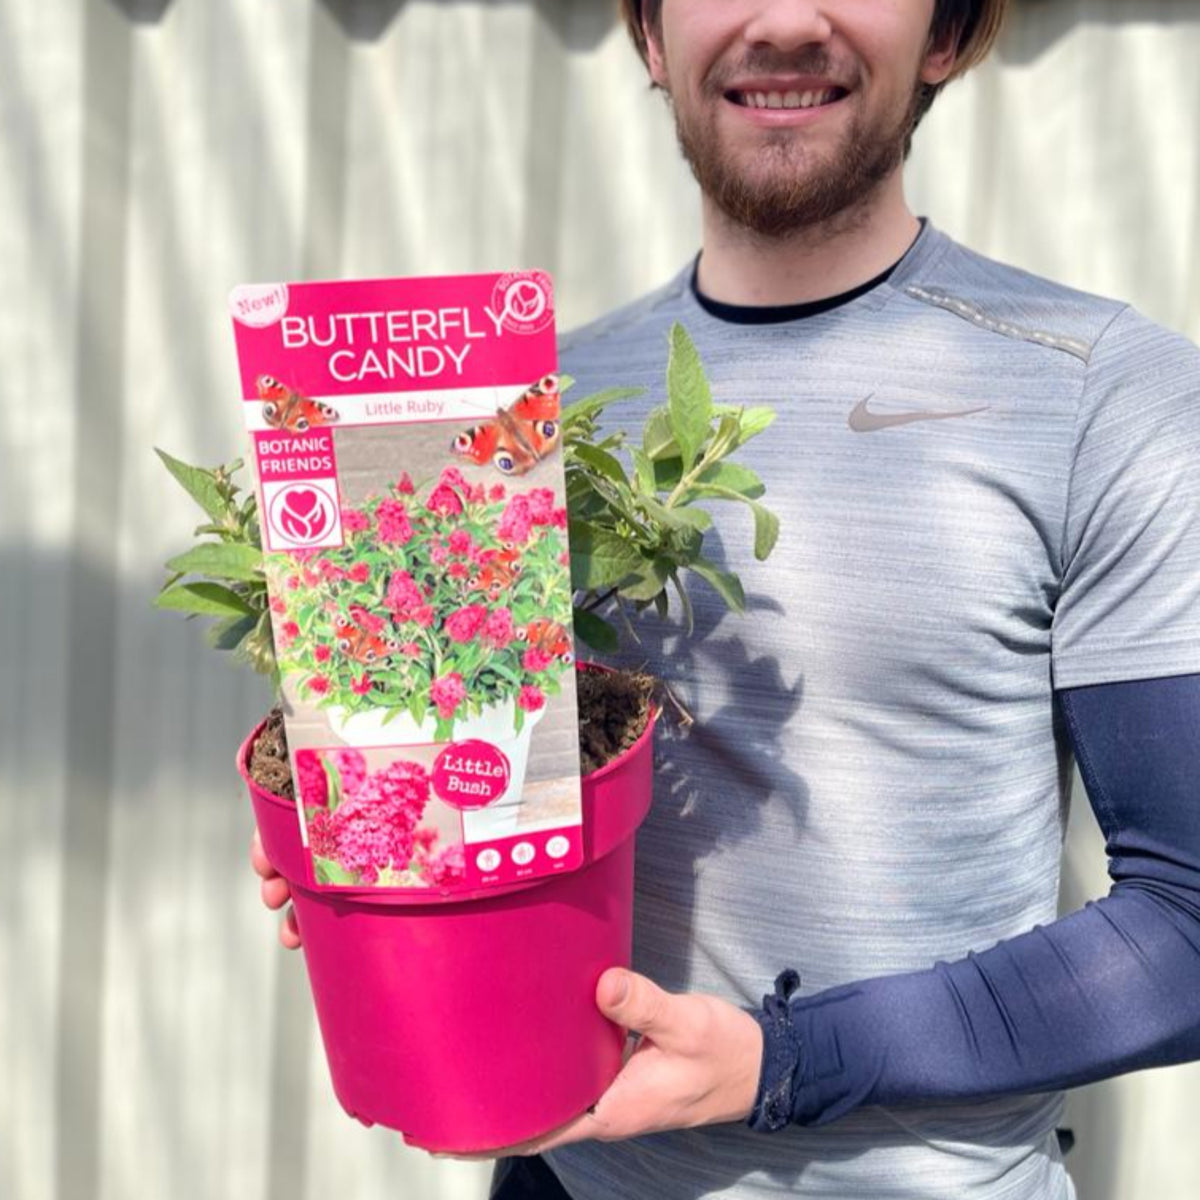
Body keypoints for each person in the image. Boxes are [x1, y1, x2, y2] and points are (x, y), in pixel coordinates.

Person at [253, 2, 1200, 1197]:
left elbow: (1190, 928)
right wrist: (371, 833)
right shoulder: (534, 417)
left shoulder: (1107, 394)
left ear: (949, 32)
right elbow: (477, 773)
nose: (787, 19)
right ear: (649, 36)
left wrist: (783, 1061)